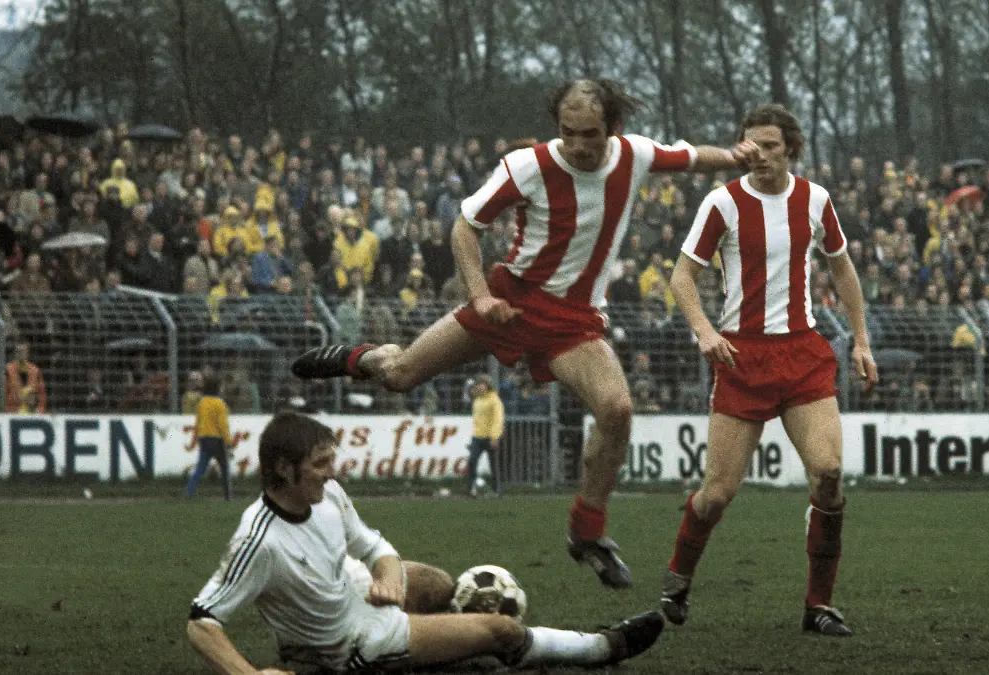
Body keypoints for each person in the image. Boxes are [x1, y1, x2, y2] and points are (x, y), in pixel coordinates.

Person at [291, 78, 757, 589]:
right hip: (510, 302)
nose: (579, 145)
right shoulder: (528, 165)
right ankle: (361, 358)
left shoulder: (635, 154)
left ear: (614, 129)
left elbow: (692, 157)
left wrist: (736, 156)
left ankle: (587, 534)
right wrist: (481, 297)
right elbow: (465, 228)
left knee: (617, 409)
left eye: (591, 134)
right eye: (569, 132)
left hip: (574, 322)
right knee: (400, 374)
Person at [186, 412, 664, 675]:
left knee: (437, 583)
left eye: (333, 460)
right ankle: (603, 647)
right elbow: (201, 623)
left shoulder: (327, 494)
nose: (333, 472)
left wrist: (390, 576)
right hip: (355, 641)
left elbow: (374, 547)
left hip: (357, 594)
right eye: (321, 464)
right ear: (284, 470)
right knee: (501, 631)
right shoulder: (258, 539)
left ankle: (439, 654)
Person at [659, 104, 879, 636]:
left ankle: (818, 605)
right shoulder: (723, 203)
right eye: (750, 146)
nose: (758, 155)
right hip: (742, 357)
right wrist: (706, 333)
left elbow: (842, 266)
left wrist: (861, 339)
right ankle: (677, 579)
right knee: (717, 495)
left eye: (771, 146)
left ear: (791, 149)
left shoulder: (814, 199)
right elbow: (682, 278)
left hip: (802, 355)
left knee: (828, 476)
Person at [186, 376, 236, 500]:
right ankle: (227, 496)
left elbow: (198, 422)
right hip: (217, 440)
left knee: (200, 468)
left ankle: (189, 493)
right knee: (224, 468)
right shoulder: (219, 404)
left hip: (204, 438)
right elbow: (222, 425)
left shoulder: (202, 402)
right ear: (217, 388)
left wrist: (197, 437)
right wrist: (228, 441)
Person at [466, 374, 504, 497]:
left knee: (494, 465)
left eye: (482, 384)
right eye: (478, 384)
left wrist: (494, 436)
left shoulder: (494, 400)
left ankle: (497, 490)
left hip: (489, 437)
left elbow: (497, 419)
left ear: (488, 386)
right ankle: (471, 488)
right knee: (472, 461)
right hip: (477, 436)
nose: (480, 387)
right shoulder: (477, 400)